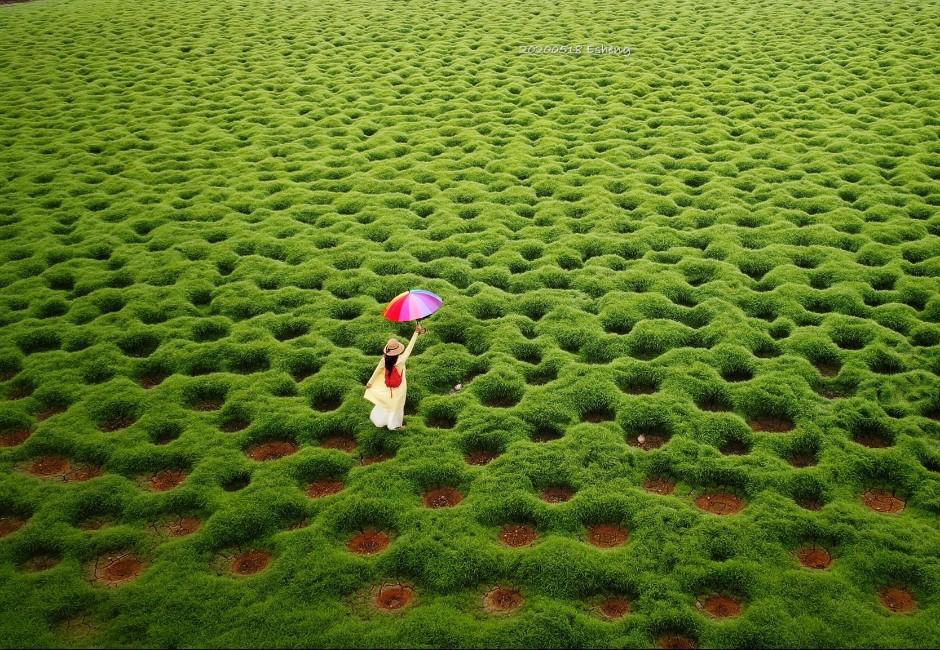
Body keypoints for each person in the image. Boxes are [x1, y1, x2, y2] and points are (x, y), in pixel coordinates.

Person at [364, 323, 425, 430]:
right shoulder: (401, 360)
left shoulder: (384, 359)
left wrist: (370, 382)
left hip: (388, 386)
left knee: (387, 403)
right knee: (398, 405)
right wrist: (416, 332)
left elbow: (377, 370)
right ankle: (394, 426)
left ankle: (381, 420)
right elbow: (410, 347)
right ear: (397, 351)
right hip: (400, 386)